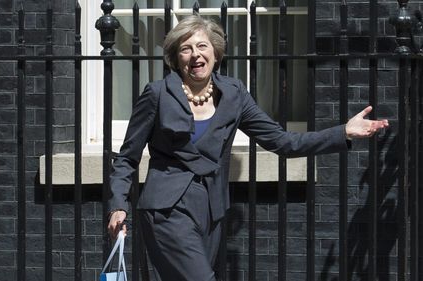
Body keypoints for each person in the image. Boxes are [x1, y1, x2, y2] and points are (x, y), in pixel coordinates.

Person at [107, 15, 389, 281]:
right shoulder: (158, 94)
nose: (196, 55)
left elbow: (281, 141)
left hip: (211, 210)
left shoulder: (234, 95)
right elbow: (127, 157)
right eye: (186, 49)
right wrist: (118, 205)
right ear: (175, 58)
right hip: (166, 211)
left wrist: (342, 132)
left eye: (202, 46)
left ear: (215, 52)